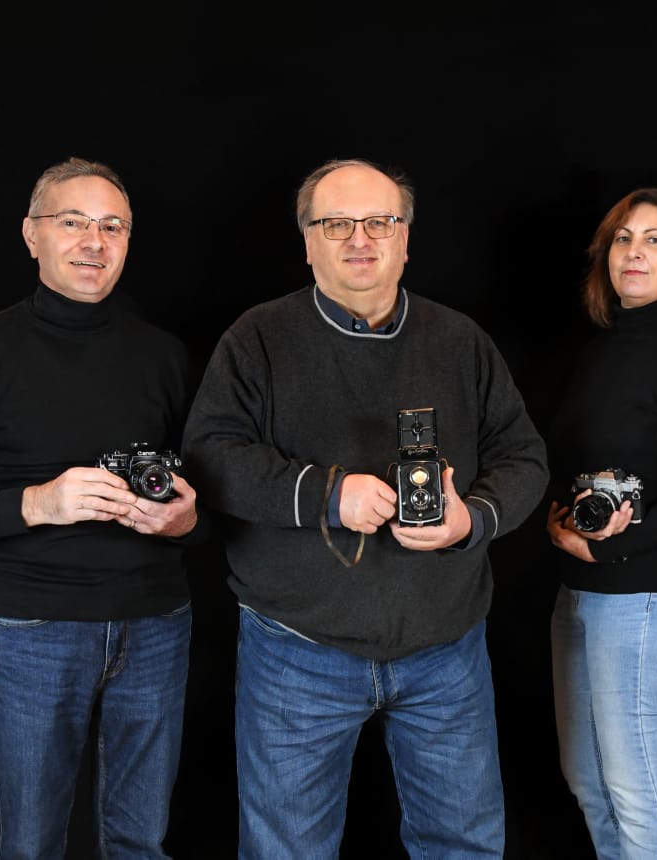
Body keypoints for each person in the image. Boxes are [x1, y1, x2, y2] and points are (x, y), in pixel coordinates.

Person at [180, 157, 547, 857]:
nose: (360, 238)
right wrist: (328, 493)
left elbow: (524, 458)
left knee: (463, 844)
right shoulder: (257, 339)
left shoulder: (460, 340)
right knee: (287, 848)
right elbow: (212, 457)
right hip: (298, 651)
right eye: (336, 223)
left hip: (447, 651)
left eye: (380, 221)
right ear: (307, 240)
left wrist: (470, 518)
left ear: (406, 238)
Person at [0, 156, 202, 859]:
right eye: (73, 222)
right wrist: (38, 502)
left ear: (127, 241)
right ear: (32, 235)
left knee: (141, 843)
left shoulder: (164, 355)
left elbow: (205, 504)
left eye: (112, 225)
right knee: (30, 844)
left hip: (155, 625)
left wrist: (183, 521)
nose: (95, 241)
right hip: (29, 628)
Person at [543, 188, 657, 858]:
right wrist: (559, 523)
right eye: (623, 237)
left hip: (647, 598)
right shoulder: (595, 353)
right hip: (580, 594)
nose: (634, 251)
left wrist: (611, 550)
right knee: (588, 784)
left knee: (638, 797)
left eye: (654, 239)